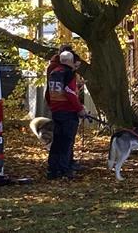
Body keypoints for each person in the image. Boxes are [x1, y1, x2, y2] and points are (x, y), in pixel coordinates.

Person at [45, 50, 86, 179]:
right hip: (68, 113)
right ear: (69, 61)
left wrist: (52, 106)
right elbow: (69, 93)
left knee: (57, 142)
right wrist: (80, 109)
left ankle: (52, 170)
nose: (75, 65)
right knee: (67, 142)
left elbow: (48, 93)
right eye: (74, 61)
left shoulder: (53, 72)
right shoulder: (69, 74)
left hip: (56, 112)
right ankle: (64, 170)